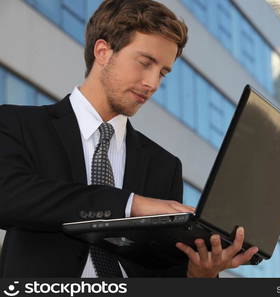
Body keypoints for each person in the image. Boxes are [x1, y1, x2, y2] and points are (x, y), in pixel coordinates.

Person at [0, 0, 258, 278]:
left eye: (162, 72)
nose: (153, 83)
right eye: (145, 63)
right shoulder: (18, 124)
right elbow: (9, 197)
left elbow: (165, 270)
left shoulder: (164, 166)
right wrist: (131, 204)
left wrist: (199, 274)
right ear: (103, 51)